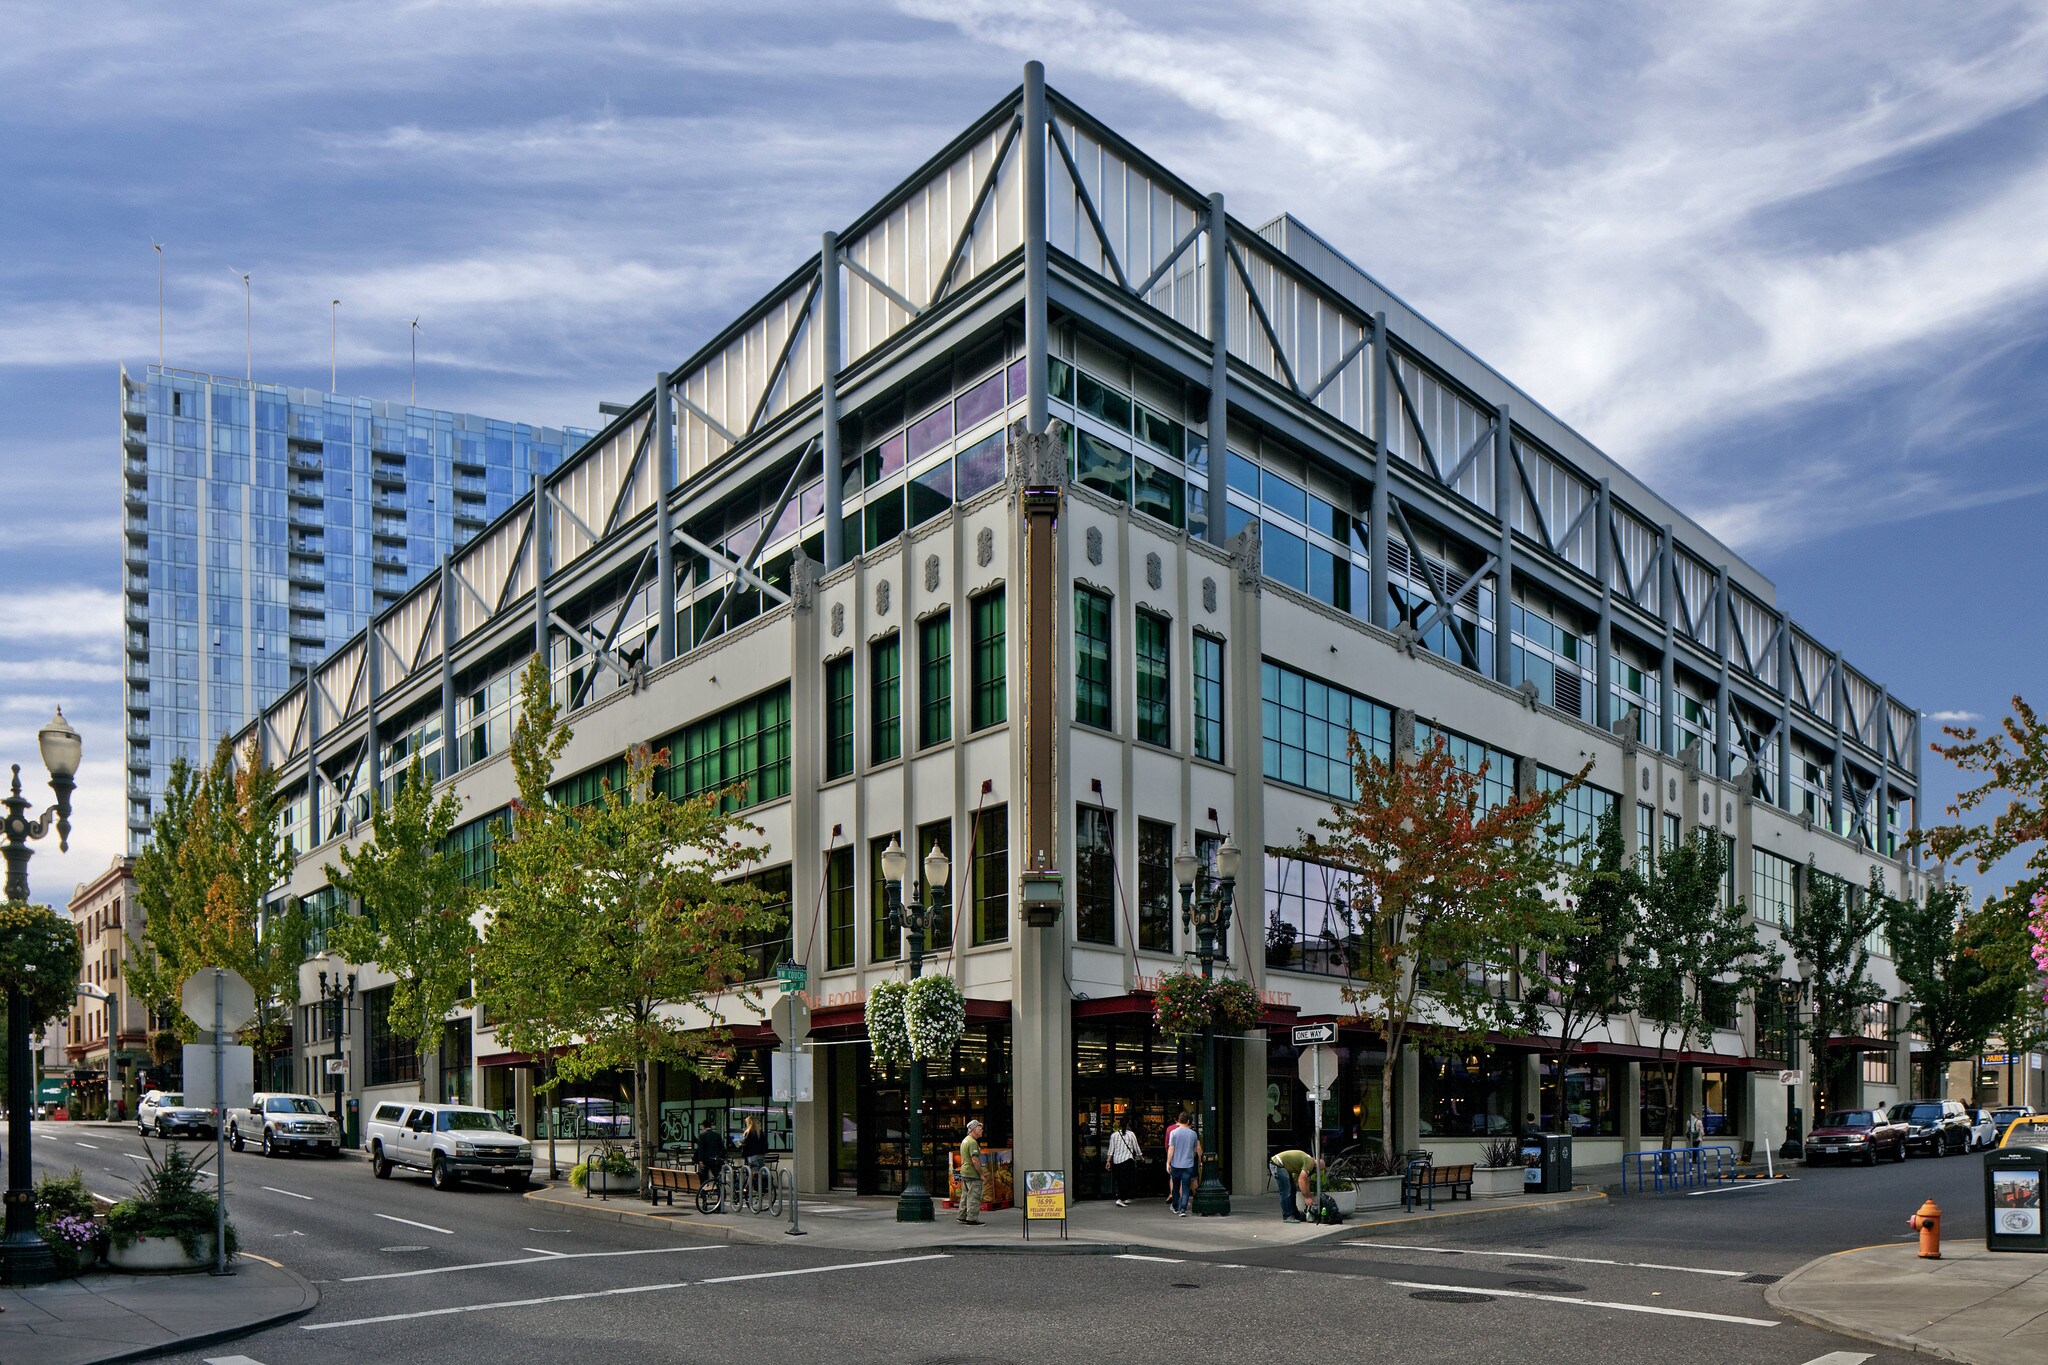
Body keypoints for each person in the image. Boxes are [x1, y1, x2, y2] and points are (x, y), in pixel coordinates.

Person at [1270, 1148, 1323, 1222]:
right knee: (1286, 1191)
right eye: (1318, 1171)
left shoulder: (1307, 1163)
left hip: (1282, 1165)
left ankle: (1295, 1214)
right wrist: (1307, 1198)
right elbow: (1301, 1180)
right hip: (1278, 1164)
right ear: (1316, 1166)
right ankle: (1287, 1216)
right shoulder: (1310, 1162)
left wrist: (1308, 1196)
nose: (1316, 1173)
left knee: (1292, 1190)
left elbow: (1306, 1182)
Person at [1164, 1110, 1200, 1216]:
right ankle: (1183, 1209)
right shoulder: (1193, 1134)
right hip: (1188, 1164)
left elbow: (1171, 1148)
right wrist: (1191, 1157)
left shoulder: (1174, 1133)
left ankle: (1175, 1206)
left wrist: (1168, 1162)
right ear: (1188, 1121)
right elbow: (1195, 1149)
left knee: (1175, 1187)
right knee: (1185, 1187)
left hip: (1176, 1164)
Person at [1105, 1114, 1142, 1207]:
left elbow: (1111, 1150)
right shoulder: (1131, 1134)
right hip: (1128, 1160)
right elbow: (1136, 1147)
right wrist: (1141, 1157)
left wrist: (1108, 1161)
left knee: (1120, 1180)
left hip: (1117, 1161)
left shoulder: (1114, 1135)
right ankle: (1121, 1199)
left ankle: (1123, 1198)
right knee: (1127, 1180)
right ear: (1129, 1124)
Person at [958, 1119, 985, 1224]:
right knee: (974, 1196)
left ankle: (962, 1216)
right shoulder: (972, 1142)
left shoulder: (965, 1140)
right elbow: (975, 1159)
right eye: (980, 1128)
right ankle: (972, 1219)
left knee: (965, 1195)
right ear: (973, 1129)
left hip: (965, 1171)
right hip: (972, 1173)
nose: (982, 1130)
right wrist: (981, 1174)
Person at [740, 1115, 769, 1198]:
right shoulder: (760, 1132)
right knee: (759, 1172)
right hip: (761, 1155)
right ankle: (761, 1187)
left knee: (751, 1173)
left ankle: (746, 1189)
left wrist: (741, 1145)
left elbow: (747, 1144)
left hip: (752, 1155)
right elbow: (765, 1145)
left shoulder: (748, 1132)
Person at [692, 1118, 727, 1186]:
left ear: (703, 1126)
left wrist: (700, 1160)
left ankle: (704, 1192)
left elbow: (701, 1149)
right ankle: (721, 1191)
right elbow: (722, 1148)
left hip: (705, 1160)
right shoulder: (717, 1135)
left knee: (704, 1178)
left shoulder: (702, 1136)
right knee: (717, 1177)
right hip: (715, 1160)